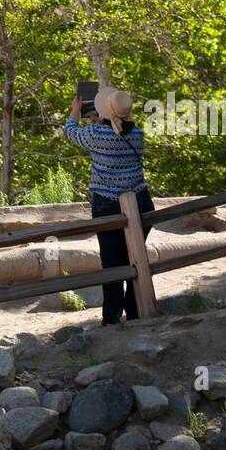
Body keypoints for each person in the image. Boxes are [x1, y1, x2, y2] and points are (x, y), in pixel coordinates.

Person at [64, 85, 155, 325]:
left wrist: (76, 111)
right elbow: (117, 132)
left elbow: (70, 132)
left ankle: (112, 317)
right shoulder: (138, 134)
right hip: (142, 201)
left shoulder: (96, 134)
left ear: (104, 112)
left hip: (109, 205)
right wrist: (100, 120)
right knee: (135, 258)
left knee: (112, 263)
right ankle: (136, 311)